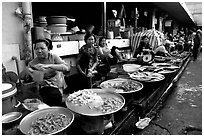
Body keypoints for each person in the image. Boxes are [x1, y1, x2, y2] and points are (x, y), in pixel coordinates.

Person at [27, 38, 70, 106]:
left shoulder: (53, 57)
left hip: (60, 83)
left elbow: (66, 68)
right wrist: (34, 72)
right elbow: (38, 81)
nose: (39, 51)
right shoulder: (33, 63)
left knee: (81, 78)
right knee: (53, 94)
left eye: (42, 48)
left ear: (48, 49)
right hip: (47, 87)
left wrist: (48, 65)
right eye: (36, 49)